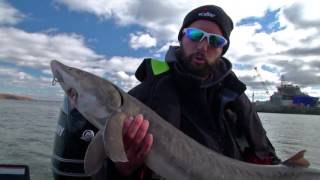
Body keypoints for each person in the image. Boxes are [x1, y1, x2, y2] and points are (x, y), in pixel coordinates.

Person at [93, 4, 281, 180]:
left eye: (215, 41)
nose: (202, 47)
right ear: (182, 37)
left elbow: (267, 157)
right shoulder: (143, 96)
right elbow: (101, 171)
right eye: (195, 35)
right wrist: (123, 170)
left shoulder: (236, 96)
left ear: (223, 49)